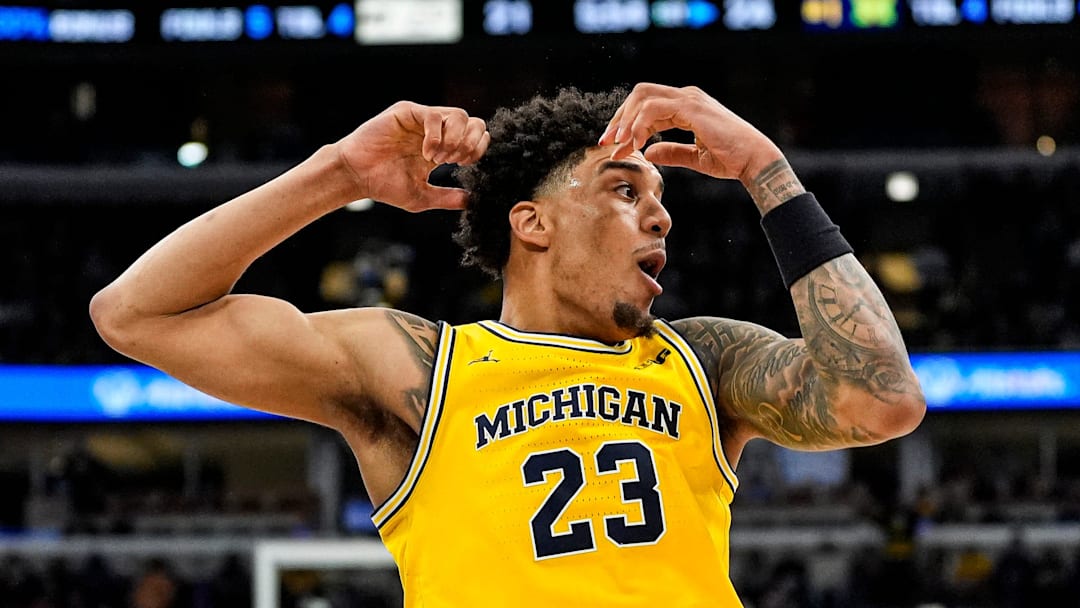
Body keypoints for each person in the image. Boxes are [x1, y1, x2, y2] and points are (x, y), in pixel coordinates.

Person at [90, 82, 926, 606]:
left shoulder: (702, 359)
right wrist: (340, 174)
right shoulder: (420, 369)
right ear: (532, 222)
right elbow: (136, 315)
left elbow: (882, 400)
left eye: (661, 198)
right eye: (624, 190)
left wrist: (768, 172)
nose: (660, 216)